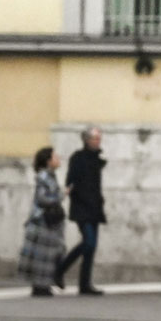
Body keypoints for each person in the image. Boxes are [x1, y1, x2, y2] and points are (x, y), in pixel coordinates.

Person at [56, 126, 106, 296]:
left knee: (91, 247)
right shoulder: (77, 158)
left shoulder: (96, 158)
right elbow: (70, 182)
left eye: (99, 138)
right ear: (86, 140)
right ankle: (60, 269)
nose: (98, 141)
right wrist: (77, 196)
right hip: (82, 207)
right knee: (88, 242)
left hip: (95, 207)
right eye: (95, 138)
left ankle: (85, 284)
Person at [18, 146, 66, 297]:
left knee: (47, 254)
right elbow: (42, 198)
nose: (58, 159)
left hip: (47, 220)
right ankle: (40, 286)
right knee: (43, 255)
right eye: (55, 157)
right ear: (48, 161)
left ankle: (43, 284)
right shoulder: (44, 176)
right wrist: (61, 196)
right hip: (43, 220)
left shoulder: (49, 176)